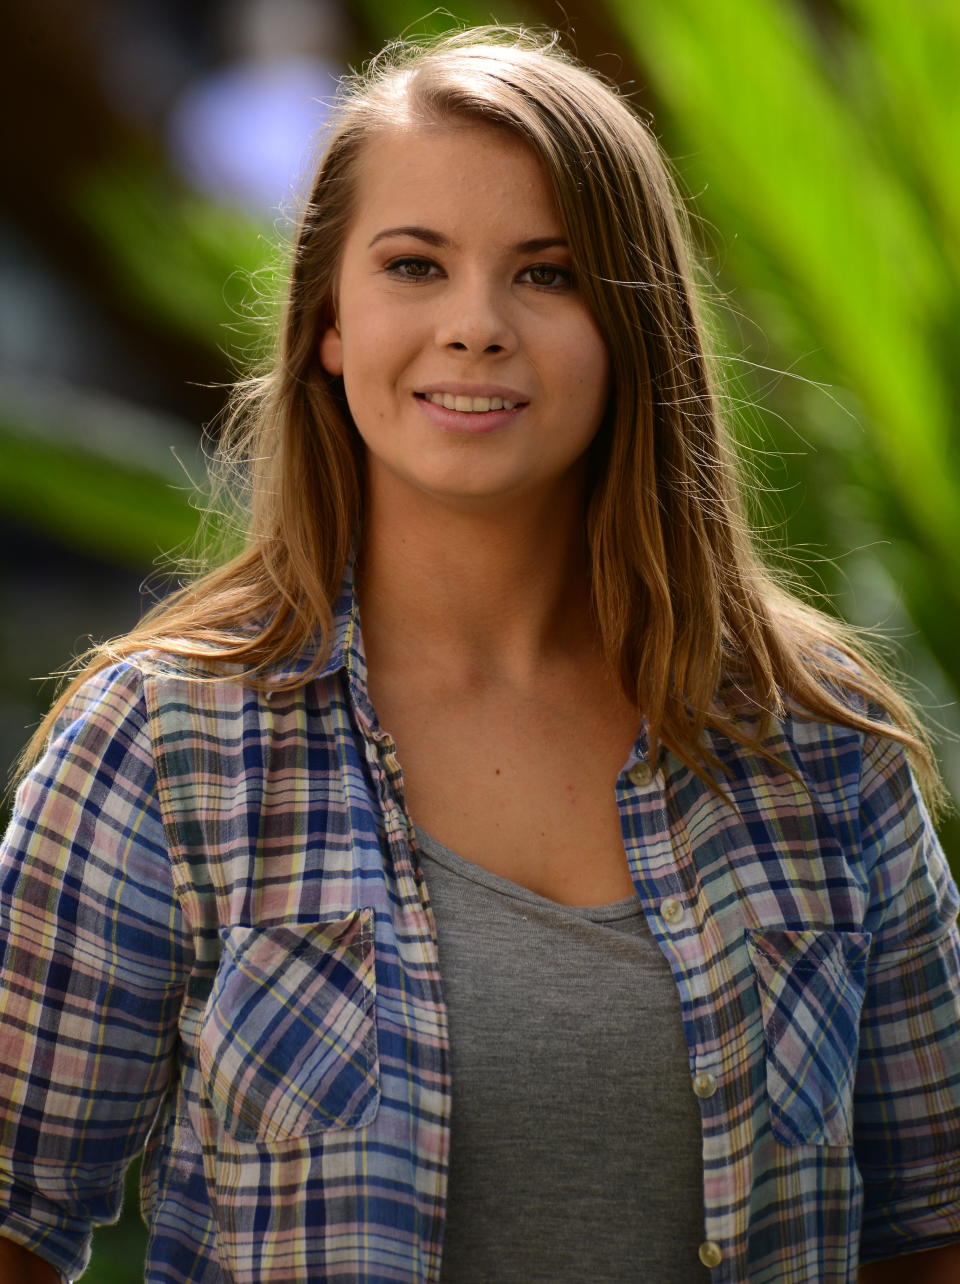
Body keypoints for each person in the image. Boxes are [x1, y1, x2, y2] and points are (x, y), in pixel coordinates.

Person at [1, 24, 958, 1284]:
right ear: (328, 325)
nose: (475, 327)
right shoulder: (164, 748)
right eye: (413, 265)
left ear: (637, 330)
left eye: (548, 275)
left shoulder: (820, 751)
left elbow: (931, 1229)